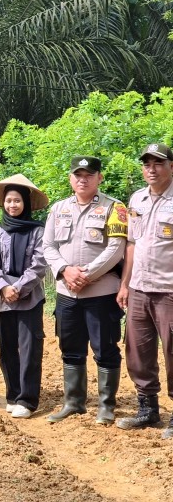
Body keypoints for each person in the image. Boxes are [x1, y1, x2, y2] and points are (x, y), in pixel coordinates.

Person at [43, 156, 127, 425]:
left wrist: (87, 274)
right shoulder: (58, 209)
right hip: (67, 292)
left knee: (105, 348)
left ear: (99, 178)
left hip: (100, 292)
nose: (83, 179)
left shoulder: (115, 208)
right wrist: (66, 270)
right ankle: (74, 402)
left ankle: (106, 406)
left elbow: (116, 248)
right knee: (71, 348)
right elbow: (48, 247)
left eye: (89, 175)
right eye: (78, 174)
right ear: (70, 178)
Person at [116, 143, 173, 438]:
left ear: (171, 167)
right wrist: (125, 284)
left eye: (158, 163)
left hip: (169, 290)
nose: (152, 169)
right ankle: (148, 408)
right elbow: (132, 244)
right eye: (147, 164)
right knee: (138, 350)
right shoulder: (136, 198)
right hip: (139, 287)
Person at [0, 174, 49, 418]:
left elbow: (39, 264)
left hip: (29, 296)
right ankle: (13, 394)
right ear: (3, 204)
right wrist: (4, 287)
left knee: (30, 347)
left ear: (26, 204)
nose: (13, 205)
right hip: (2, 296)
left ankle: (28, 400)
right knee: (6, 346)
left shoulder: (38, 232)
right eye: (9, 201)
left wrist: (19, 288)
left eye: (17, 201)